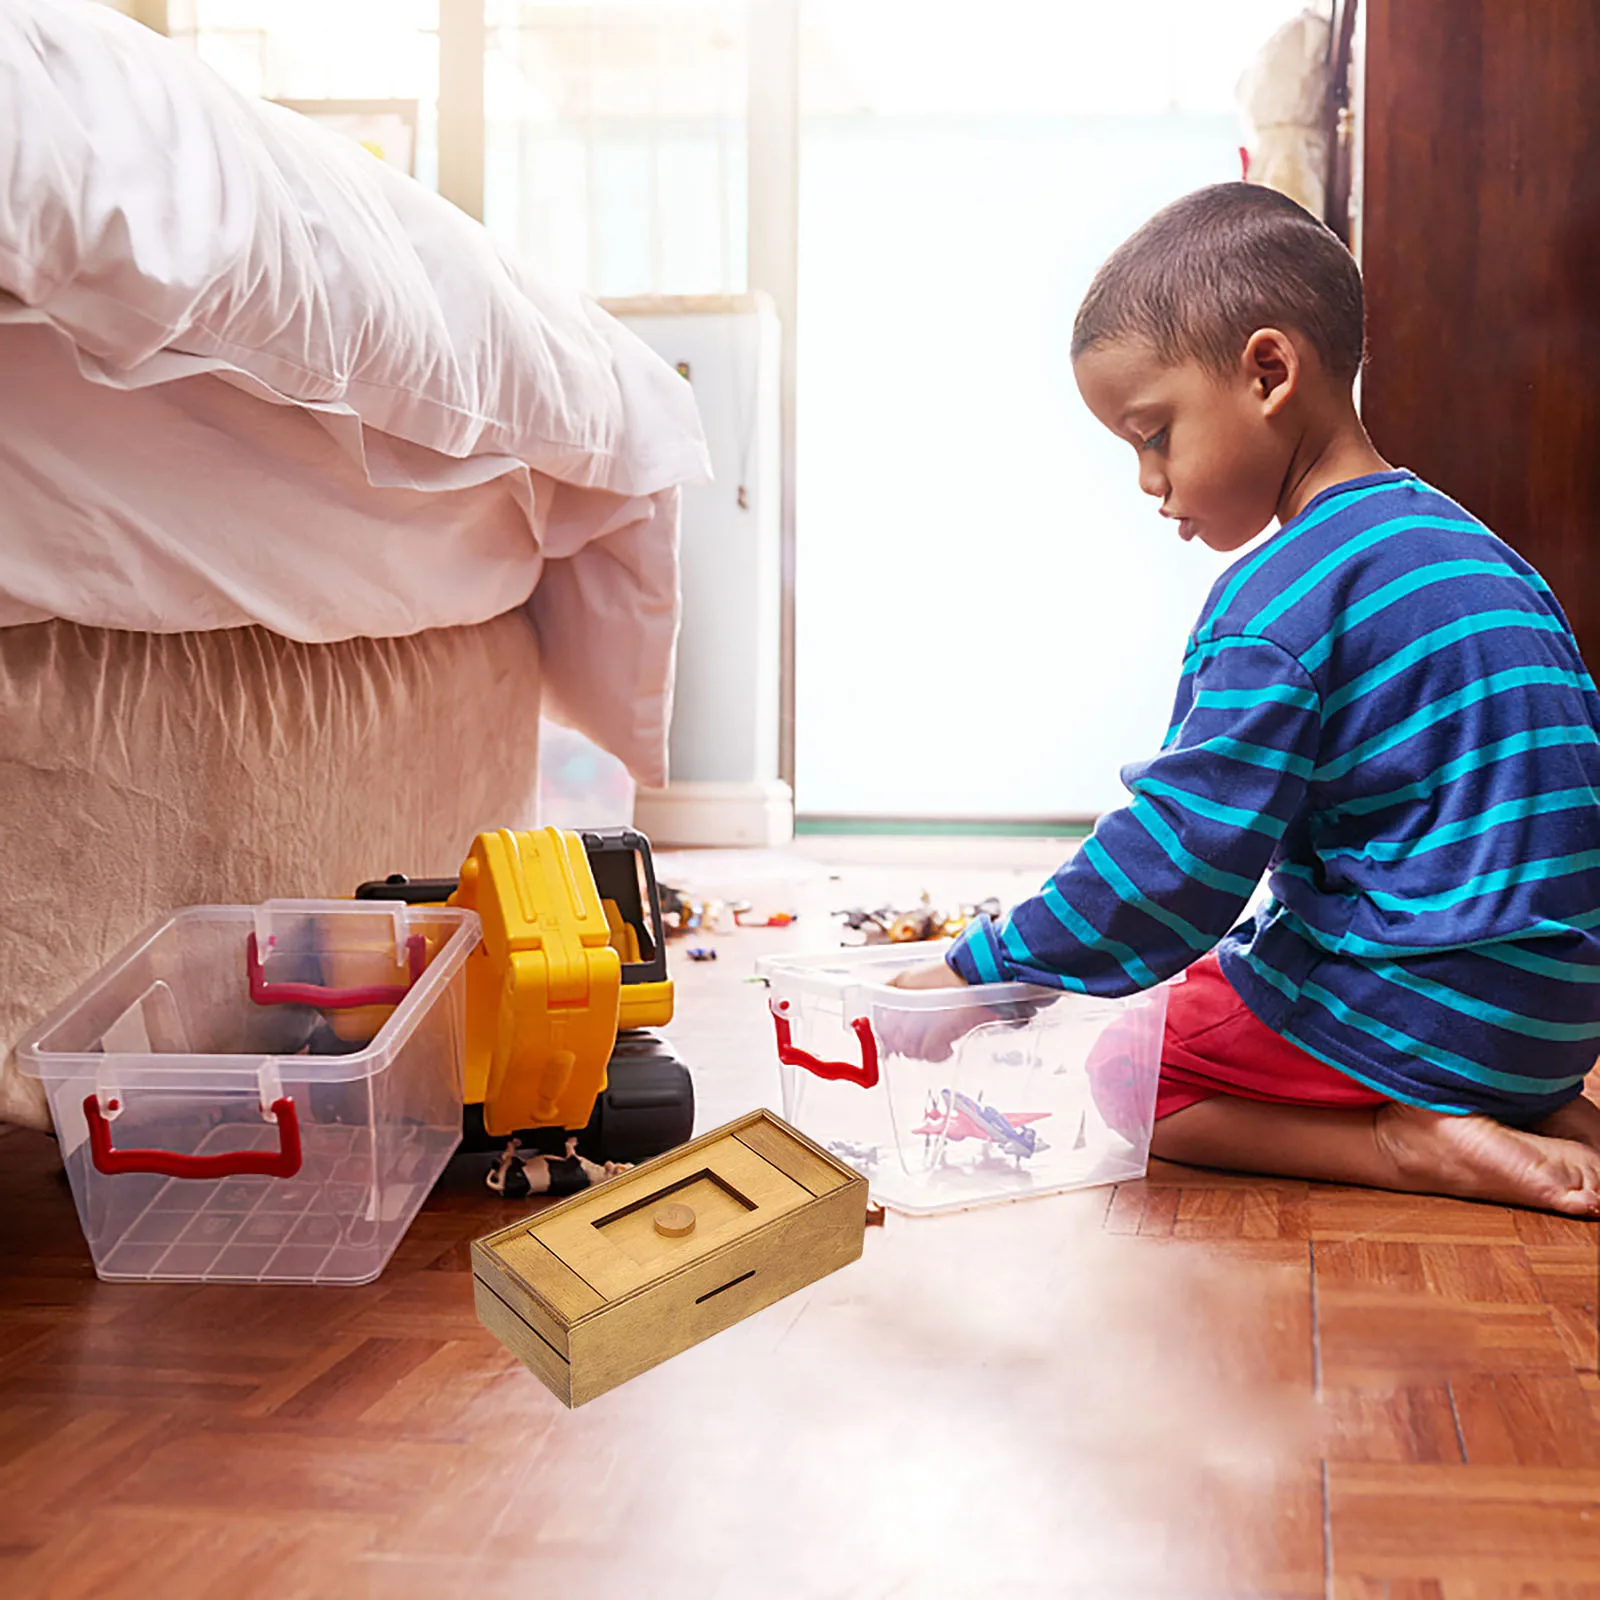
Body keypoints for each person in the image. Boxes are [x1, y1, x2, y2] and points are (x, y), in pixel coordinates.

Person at [891, 182, 1600, 1217]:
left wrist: (978, 976)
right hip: (1554, 1020)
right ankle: (1525, 1105)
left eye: (1153, 433)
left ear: (1268, 372)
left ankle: (1408, 1143)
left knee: (1138, 1070)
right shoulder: (1478, 552)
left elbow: (1178, 859)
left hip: (1415, 1015)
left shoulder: (1279, 603)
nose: (1147, 480)